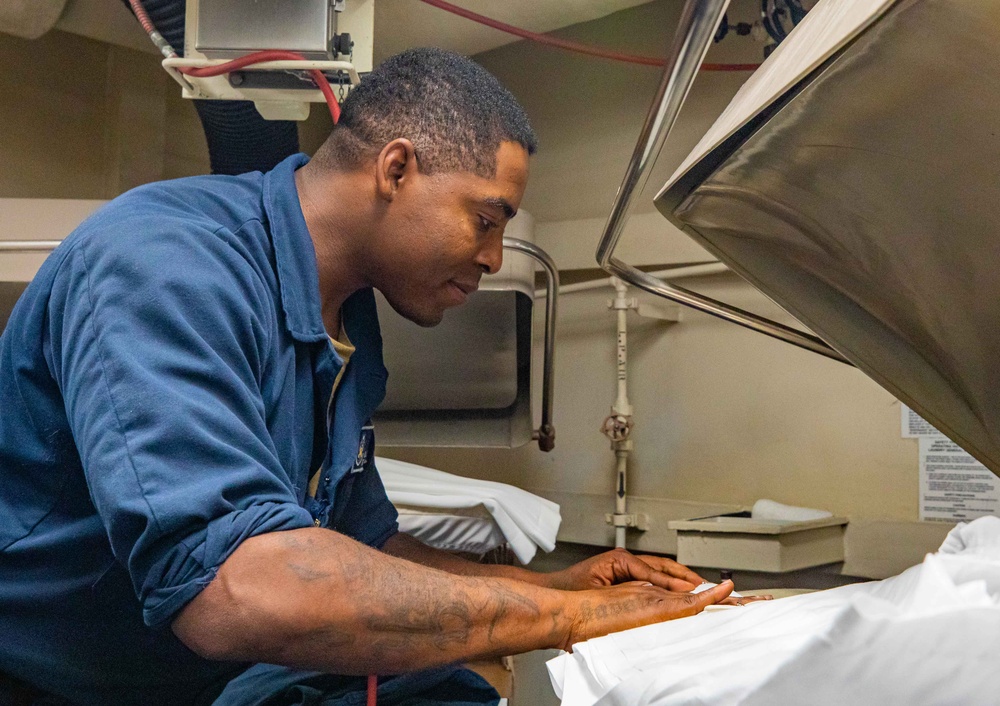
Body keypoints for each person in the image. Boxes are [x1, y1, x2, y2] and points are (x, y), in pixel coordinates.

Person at [0, 48, 734, 705]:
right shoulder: (164, 265)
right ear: (395, 169)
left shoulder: (350, 319)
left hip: (199, 679)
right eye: (486, 220)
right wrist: (562, 620)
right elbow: (240, 589)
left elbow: (360, 543)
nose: (492, 255)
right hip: (51, 681)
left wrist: (545, 587)